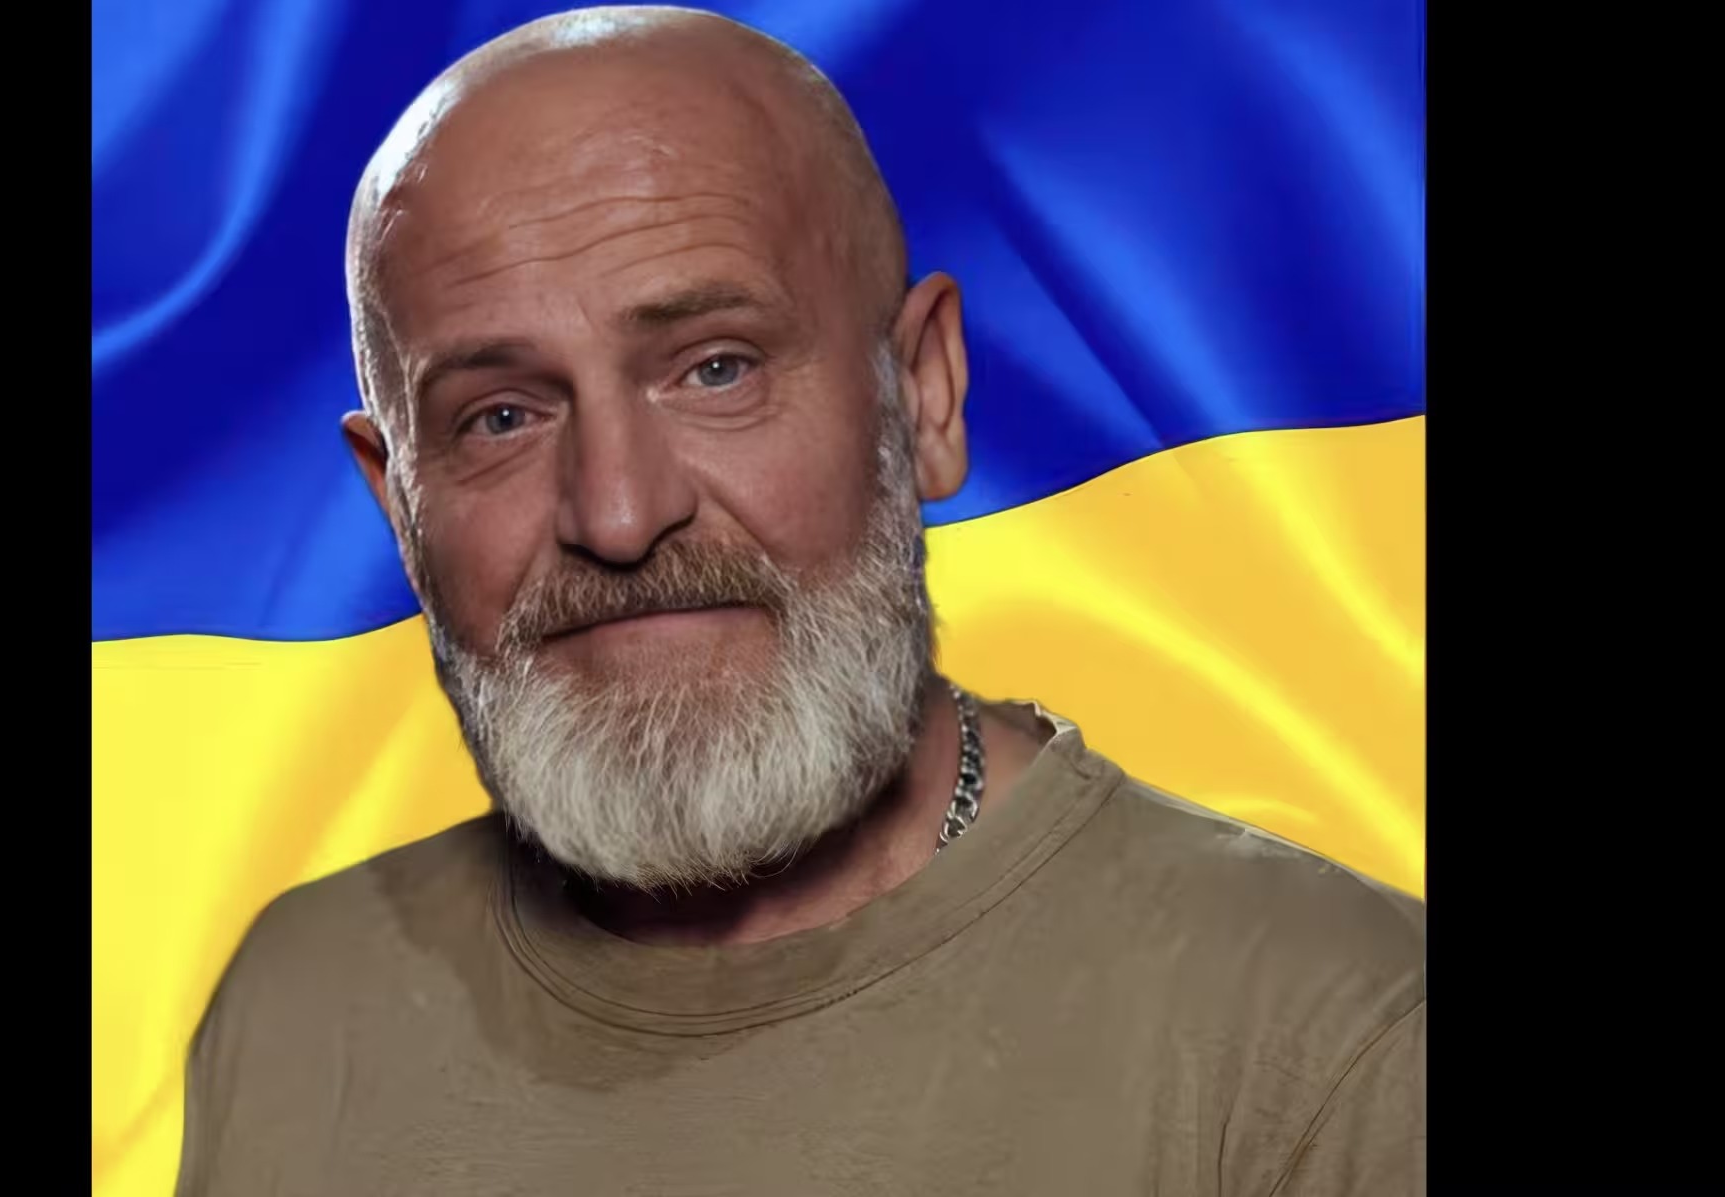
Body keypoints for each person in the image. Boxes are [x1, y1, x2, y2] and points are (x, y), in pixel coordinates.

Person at [175, 7, 1424, 1194]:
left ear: (923, 394)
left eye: (715, 369)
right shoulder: (296, 1013)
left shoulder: (1339, 1038)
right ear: (399, 502)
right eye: (500, 417)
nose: (620, 515)